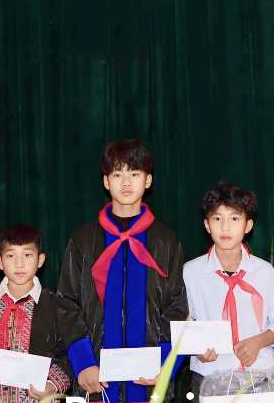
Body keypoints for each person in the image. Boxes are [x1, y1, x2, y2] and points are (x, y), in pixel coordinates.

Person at [57, 138, 189, 402]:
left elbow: (177, 307)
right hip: (97, 380)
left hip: (150, 382)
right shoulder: (83, 241)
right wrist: (83, 363)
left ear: (148, 181)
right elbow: (67, 304)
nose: (126, 183)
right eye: (117, 174)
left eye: (134, 174)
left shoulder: (165, 241)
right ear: (106, 182)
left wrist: (164, 363)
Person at [183, 181, 274, 395]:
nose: (225, 227)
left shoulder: (265, 272)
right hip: (209, 376)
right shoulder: (191, 272)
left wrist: (258, 342)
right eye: (217, 219)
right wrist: (196, 349)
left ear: (248, 225)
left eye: (234, 218)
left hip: (260, 375)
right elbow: (184, 322)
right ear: (207, 225)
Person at [0, 224, 71, 401]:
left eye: (27, 255)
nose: (19, 264)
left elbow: (66, 355)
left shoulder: (57, 306)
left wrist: (52, 385)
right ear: (0, 262)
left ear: (40, 260)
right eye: (11, 255)